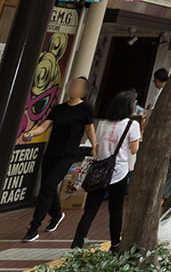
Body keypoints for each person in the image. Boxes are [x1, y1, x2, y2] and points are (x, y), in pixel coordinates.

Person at [22, 76, 96, 242]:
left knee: (47, 187)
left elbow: (89, 128)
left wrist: (95, 146)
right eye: (72, 85)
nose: (73, 88)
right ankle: (56, 214)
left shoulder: (85, 108)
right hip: (51, 153)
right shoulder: (59, 108)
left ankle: (34, 227)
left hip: (67, 154)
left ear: (83, 91)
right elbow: (44, 126)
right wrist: (31, 133)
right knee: (48, 186)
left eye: (77, 86)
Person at [71, 89, 141, 252]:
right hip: (119, 172)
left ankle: (77, 242)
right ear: (128, 107)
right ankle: (115, 244)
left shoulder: (102, 123)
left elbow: (98, 146)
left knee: (90, 209)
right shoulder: (132, 125)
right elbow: (134, 150)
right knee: (115, 210)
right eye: (134, 104)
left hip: (99, 171)